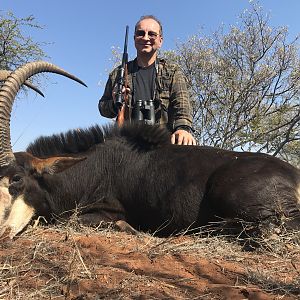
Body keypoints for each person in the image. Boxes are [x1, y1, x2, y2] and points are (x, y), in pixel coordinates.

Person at [98, 15, 196, 145]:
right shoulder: (118, 74)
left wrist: (183, 129)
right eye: (140, 33)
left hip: (164, 145)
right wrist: (115, 102)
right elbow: (103, 108)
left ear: (160, 41)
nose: (145, 38)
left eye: (152, 34)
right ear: (134, 39)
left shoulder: (172, 72)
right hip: (129, 146)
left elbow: (182, 104)